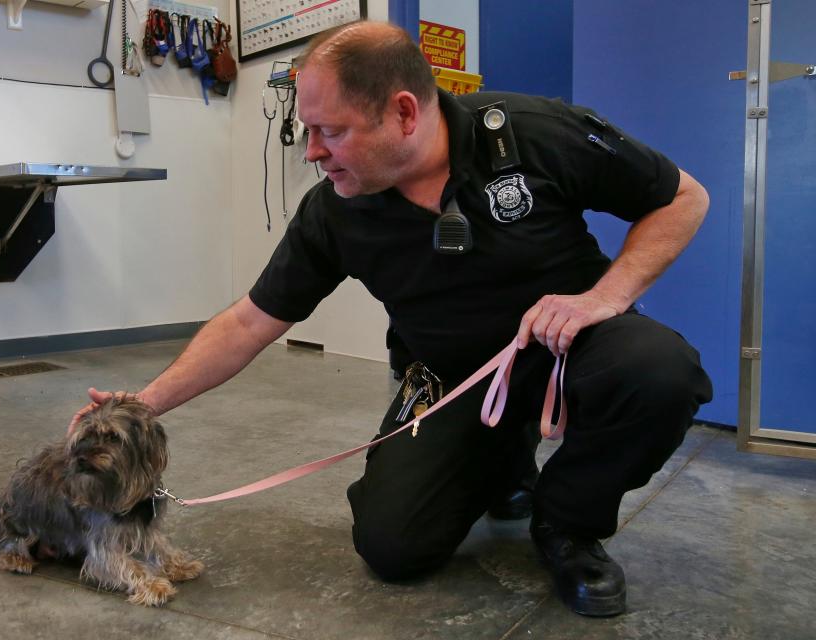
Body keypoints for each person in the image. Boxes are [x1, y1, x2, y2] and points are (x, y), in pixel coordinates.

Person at [72, 21, 713, 617]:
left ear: (404, 111)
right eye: (309, 131)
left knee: (659, 372)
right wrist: (142, 404)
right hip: (451, 379)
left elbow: (683, 196)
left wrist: (604, 297)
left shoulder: (533, 133)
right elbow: (248, 323)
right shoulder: (334, 211)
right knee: (393, 547)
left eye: (332, 131)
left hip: (570, 346)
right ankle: (503, 462)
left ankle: (568, 524)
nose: (314, 152)